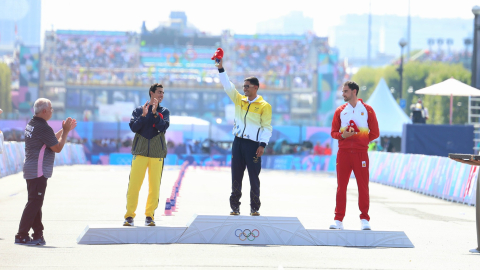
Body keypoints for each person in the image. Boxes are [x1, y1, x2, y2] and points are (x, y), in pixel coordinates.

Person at [15, 98, 77, 245]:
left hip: (31, 168)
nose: (52, 111)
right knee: (34, 202)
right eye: (51, 109)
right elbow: (58, 147)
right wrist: (66, 132)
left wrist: (64, 129)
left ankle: (37, 234)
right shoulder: (43, 127)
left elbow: (50, 140)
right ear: (44, 111)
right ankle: (21, 235)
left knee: (36, 202)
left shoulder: (32, 124)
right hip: (38, 169)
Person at [216, 55, 273, 216]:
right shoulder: (239, 100)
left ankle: (254, 208)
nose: (244, 89)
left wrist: (262, 144)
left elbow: (267, 127)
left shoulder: (264, 106)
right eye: (243, 86)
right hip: (238, 143)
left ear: (255, 87)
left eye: (247, 86)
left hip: (254, 145)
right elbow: (228, 86)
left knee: (254, 178)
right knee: (236, 176)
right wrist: (221, 68)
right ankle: (235, 207)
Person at [330, 81, 379, 230]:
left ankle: (364, 219)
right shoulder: (340, 110)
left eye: (345, 91)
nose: (343, 94)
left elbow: (375, 133)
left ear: (354, 91)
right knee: (341, 187)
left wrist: (361, 141)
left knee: (363, 187)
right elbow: (333, 133)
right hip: (343, 153)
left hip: (360, 154)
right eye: (343, 91)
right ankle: (338, 220)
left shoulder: (368, 110)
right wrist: (342, 135)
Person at [123, 83, 170, 227]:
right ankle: (129, 216)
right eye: (159, 92)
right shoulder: (138, 110)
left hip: (157, 154)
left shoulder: (164, 111)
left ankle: (149, 216)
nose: (161, 95)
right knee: (134, 186)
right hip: (140, 152)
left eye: (163, 92)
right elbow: (133, 128)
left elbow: (163, 126)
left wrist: (155, 114)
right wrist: (143, 116)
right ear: (151, 93)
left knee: (154, 187)